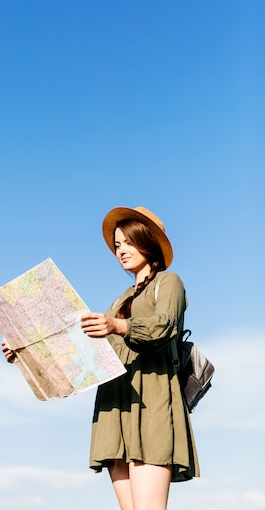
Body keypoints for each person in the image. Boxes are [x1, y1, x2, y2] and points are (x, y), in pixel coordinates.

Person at [80, 205, 199, 510]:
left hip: (152, 400)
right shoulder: (119, 300)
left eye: (129, 242)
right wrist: (24, 353)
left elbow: (164, 327)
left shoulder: (168, 282)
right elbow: (92, 355)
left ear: (147, 242)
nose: (121, 251)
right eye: (117, 245)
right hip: (115, 406)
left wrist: (118, 325)